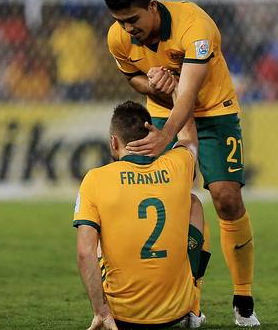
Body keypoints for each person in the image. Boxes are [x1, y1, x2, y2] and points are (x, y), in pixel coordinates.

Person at [103, 0, 259, 327]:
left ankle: (243, 296)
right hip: (160, 112)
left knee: (226, 198)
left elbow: (187, 96)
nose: (128, 29)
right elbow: (133, 78)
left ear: (153, 6)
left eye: (133, 20)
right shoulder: (118, 38)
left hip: (214, 111)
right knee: (171, 202)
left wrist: (164, 134)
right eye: (120, 22)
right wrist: (154, 83)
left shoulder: (196, 27)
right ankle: (191, 303)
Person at [74, 101, 209, 329]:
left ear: (114, 142)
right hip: (175, 313)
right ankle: (193, 305)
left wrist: (101, 311)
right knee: (194, 203)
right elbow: (189, 137)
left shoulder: (95, 179)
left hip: (122, 317)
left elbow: (84, 253)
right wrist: (177, 90)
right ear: (150, 134)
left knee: (96, 231)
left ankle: (105, 313)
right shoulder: (178, 165)